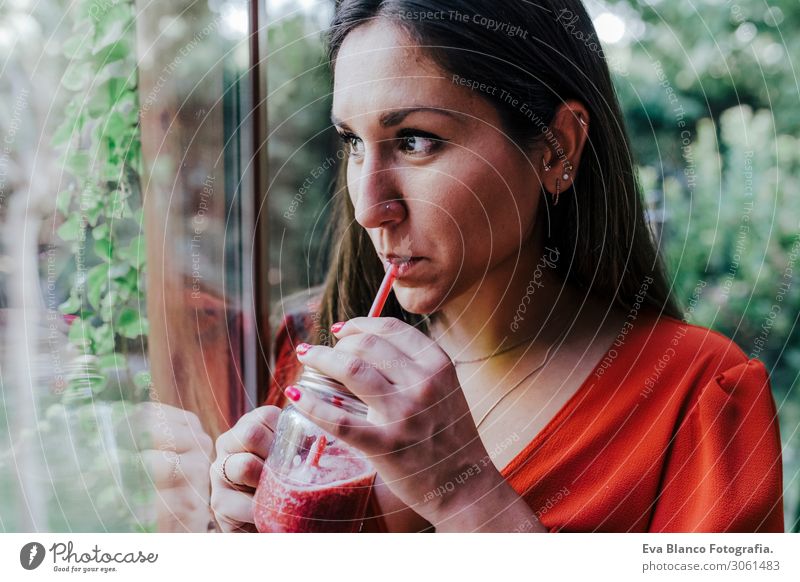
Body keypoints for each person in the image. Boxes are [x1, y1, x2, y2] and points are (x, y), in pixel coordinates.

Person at [209, 0, 783, 532]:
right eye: (352, 141)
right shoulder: (311, 362)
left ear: (556, 148)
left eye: (415, 141)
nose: (367, 209)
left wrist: (464, 494)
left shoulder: (697, 398)